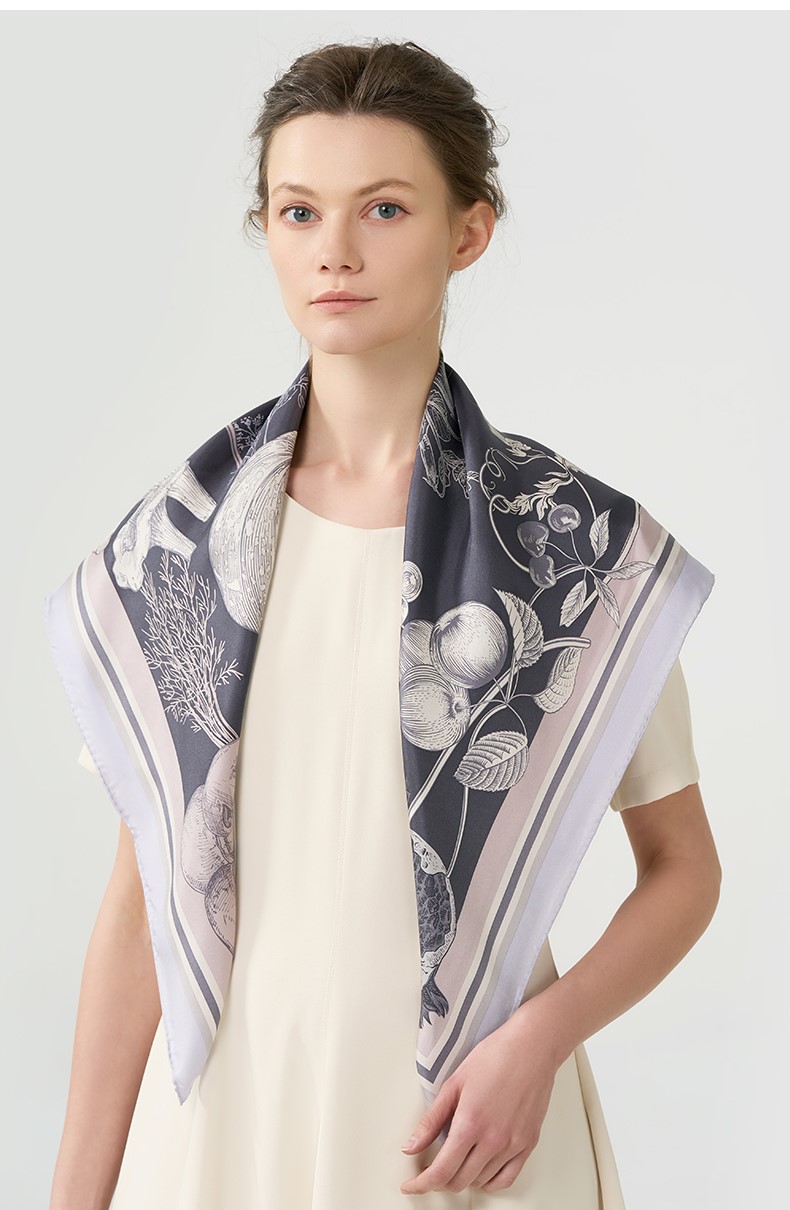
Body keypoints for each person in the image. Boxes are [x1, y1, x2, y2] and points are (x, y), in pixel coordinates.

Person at [47, 37, 722, 1210]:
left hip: (462, 1128)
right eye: (298, 211)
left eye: (385, 208)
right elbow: (135, 910)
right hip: (222, 1126)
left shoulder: (569, 554)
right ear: (266, 230)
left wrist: (538, 1041)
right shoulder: (179, 548)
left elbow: (683, 869)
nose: (335, 251)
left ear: (469, 231)